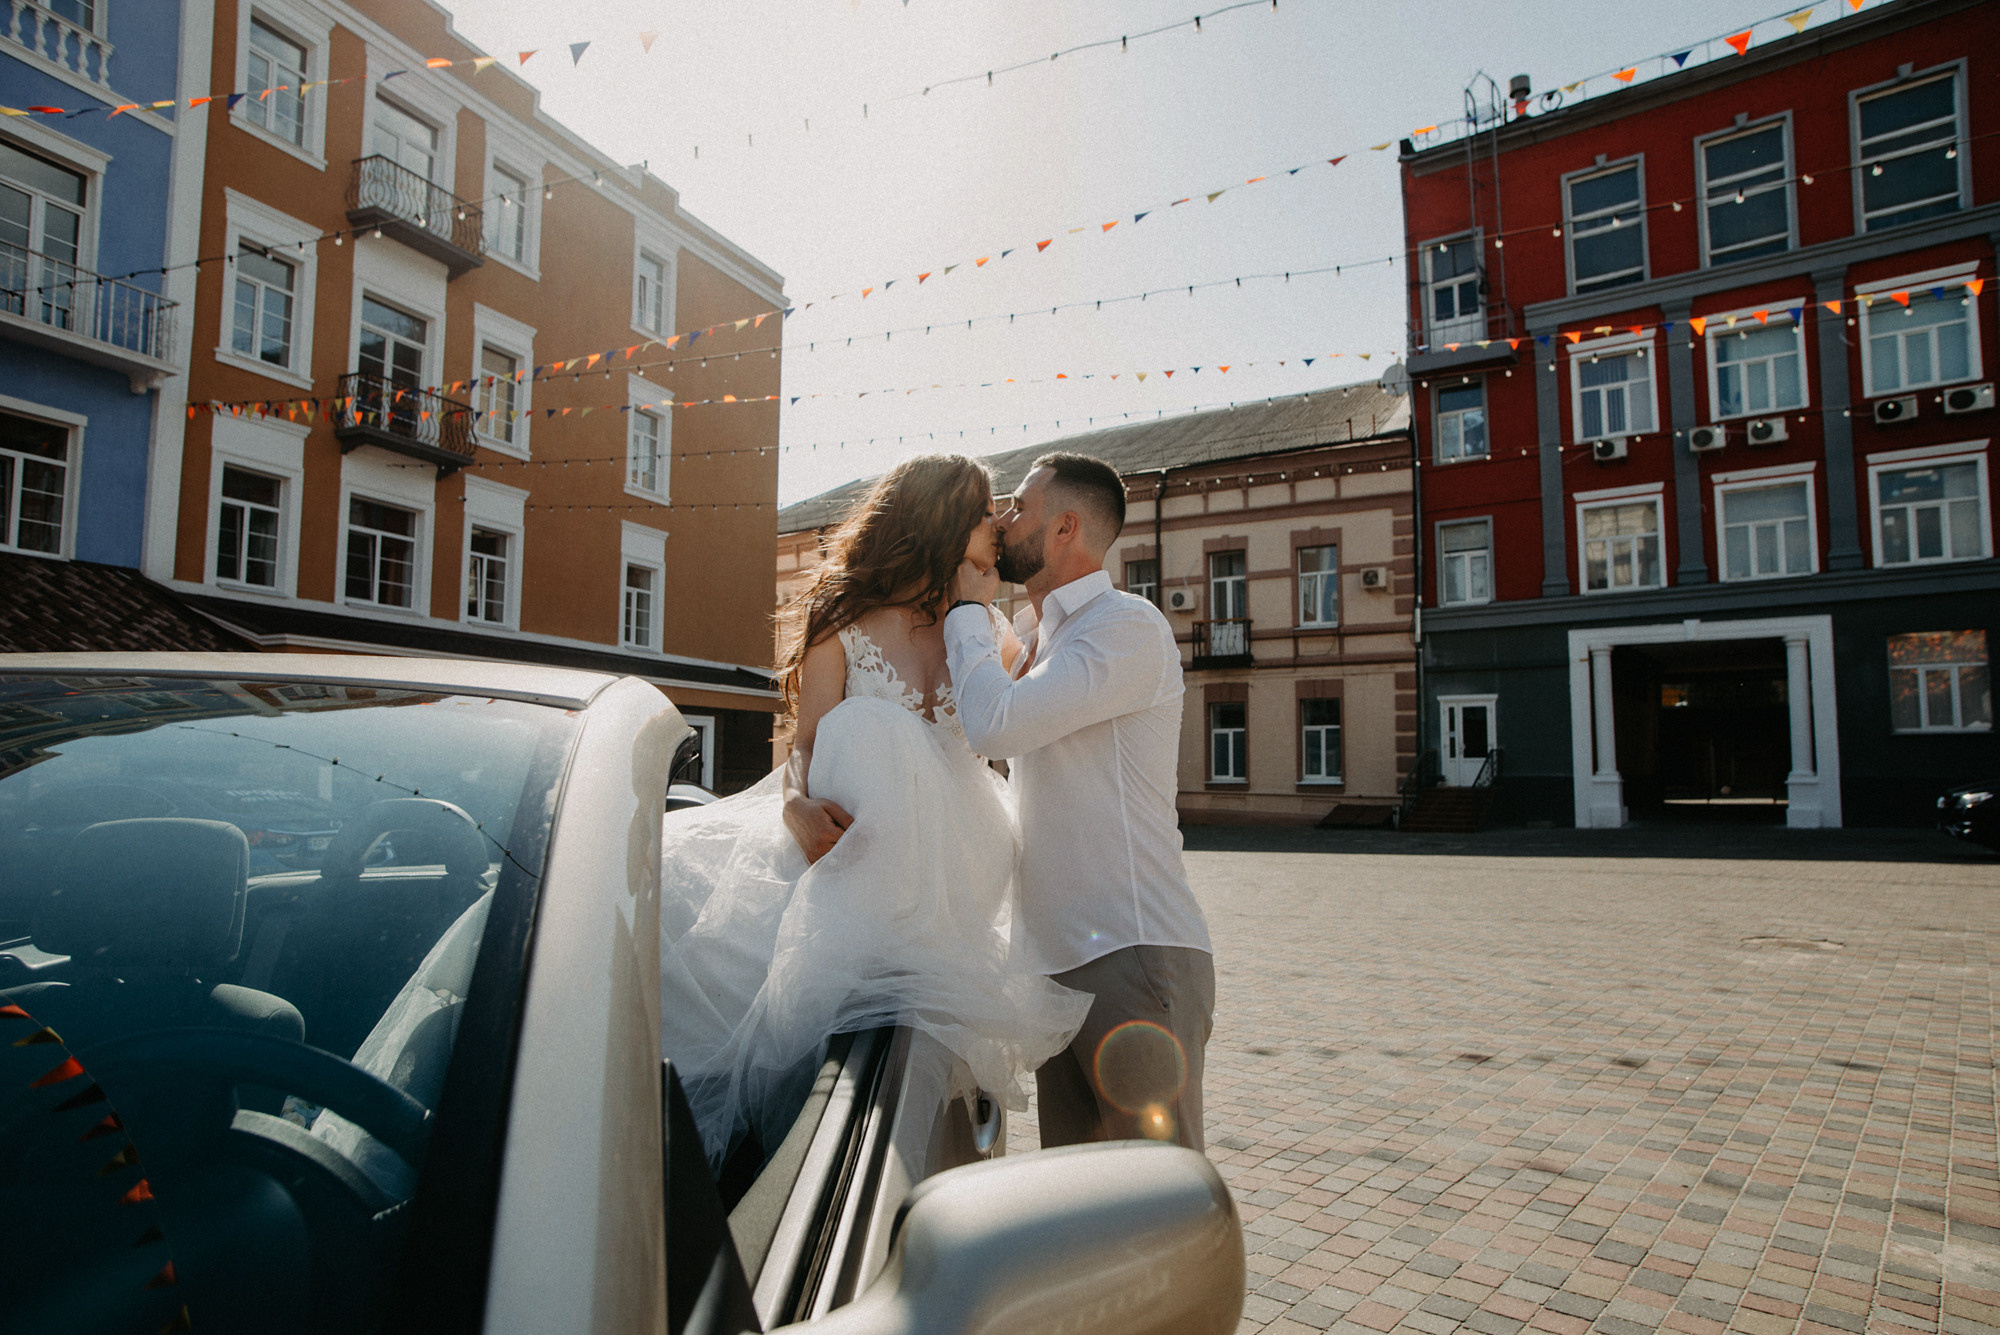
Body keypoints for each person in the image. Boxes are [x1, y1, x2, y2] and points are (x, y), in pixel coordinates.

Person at [657, 454, 1088, 1168]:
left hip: (951, 877)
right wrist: (795, 804)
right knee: (871, 732)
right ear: (943, 521)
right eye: (985, 511)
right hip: (855, 857)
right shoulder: (845, 620)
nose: (998, 525)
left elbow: (1026, 718)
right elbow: (809, 744)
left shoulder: (989, 632)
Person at [943, 452, 1216, 1151]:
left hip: (1133, 954)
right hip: (1054, 969)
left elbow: (995, 722)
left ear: (1065, 528)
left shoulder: (1125, 626)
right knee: (1080, 1211)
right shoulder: (1036, 642)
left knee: (1159, 1207)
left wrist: (970, 610)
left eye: (1018, 507)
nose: (1002, 519)